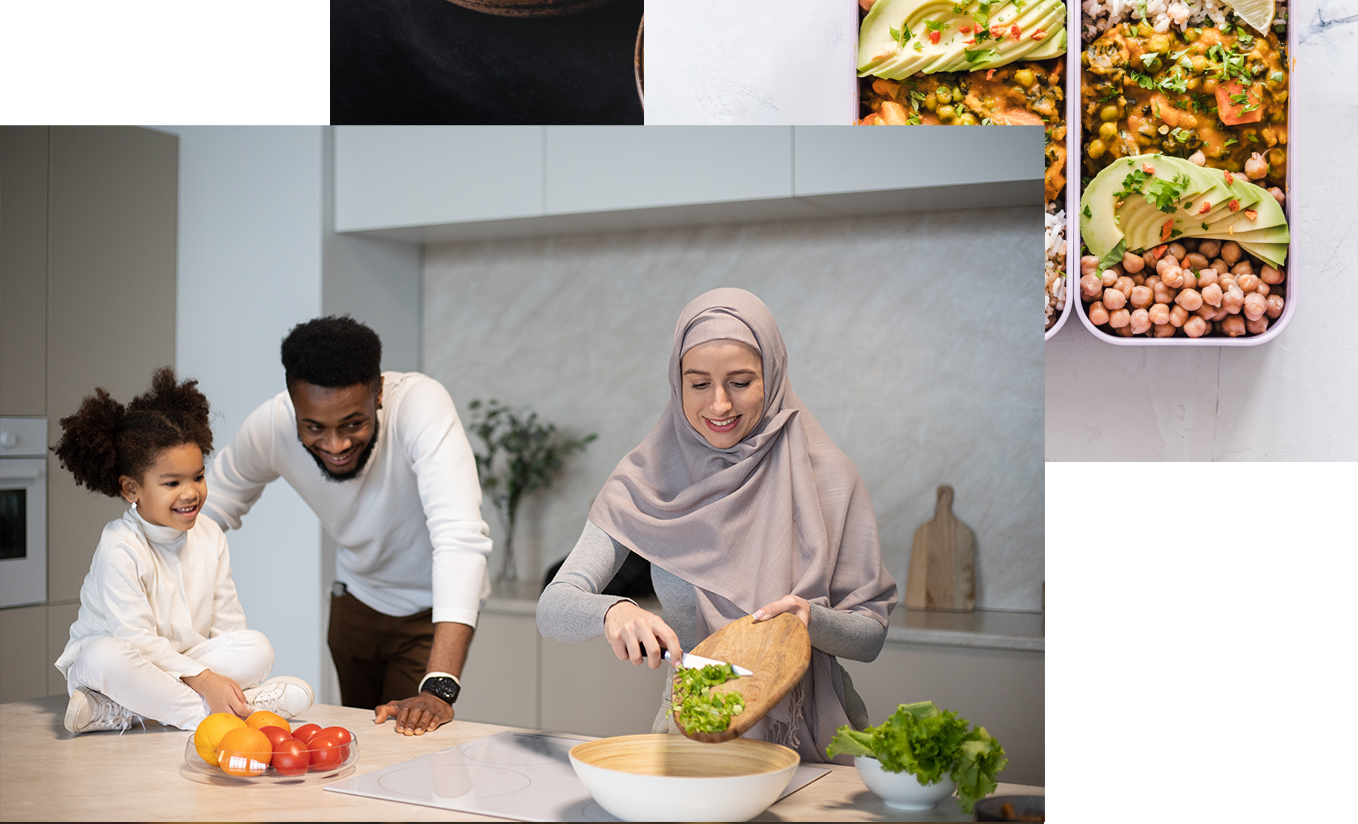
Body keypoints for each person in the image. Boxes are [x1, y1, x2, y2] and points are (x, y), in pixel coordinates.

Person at [536, 288, 897, 764]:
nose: (720, 405)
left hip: (815, 733)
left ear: (773, 375)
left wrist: (810, 621)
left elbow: (869, 637)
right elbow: (553, 607)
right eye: (699, 383)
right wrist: (613, 612)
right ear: (676, 383)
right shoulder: (644, 479)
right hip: (692, 734)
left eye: (741, 382)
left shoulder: (828, 477)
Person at [203, 316, 491, 736]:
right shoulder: (271, 425)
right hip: (354, 603)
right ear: (292, 402)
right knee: (359, 743)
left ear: (377, 392)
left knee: (405, 745)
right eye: (314, 427)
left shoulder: (419, 405)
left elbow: (459, 537)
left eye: (352, 424)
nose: (335, 445)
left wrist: (440, 688)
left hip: (429, 611)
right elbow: (204, 514)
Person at [52, 367, 312, 735]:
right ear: (131, 489)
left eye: (198, 476)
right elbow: (135, 641)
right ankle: (224, 715)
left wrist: (219, 672)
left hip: (183, 664)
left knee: (257, 647)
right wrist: (206, 681)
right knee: (103, 655)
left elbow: (228, 626)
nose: (191, 492)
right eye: (172, 482)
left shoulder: (209, 534)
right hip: (121, 665)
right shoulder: (119, 546)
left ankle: (125, 711)